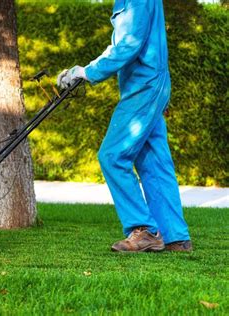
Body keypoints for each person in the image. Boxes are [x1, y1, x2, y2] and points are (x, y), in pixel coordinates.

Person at [57, 0, 192, 252]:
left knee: (112, 155)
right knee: (154, 162)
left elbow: (128, 46)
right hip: (149, 85)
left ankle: (144, 229)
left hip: (144, 88)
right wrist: (84, 70)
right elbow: (123, 42)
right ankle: (176, 237)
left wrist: (85, 73)